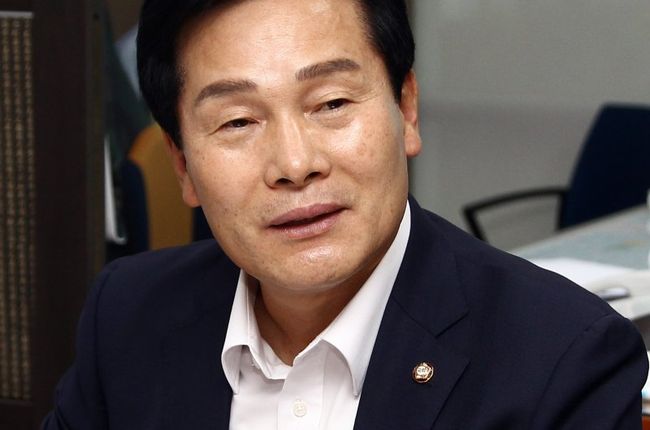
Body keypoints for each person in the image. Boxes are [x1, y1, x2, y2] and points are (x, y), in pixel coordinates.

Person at [43, 0, 648, 428]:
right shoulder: (128, 316)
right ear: (181, 164)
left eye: (331, 103)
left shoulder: (563, 359)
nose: (295, 164)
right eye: (238, 121)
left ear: (406, 110)